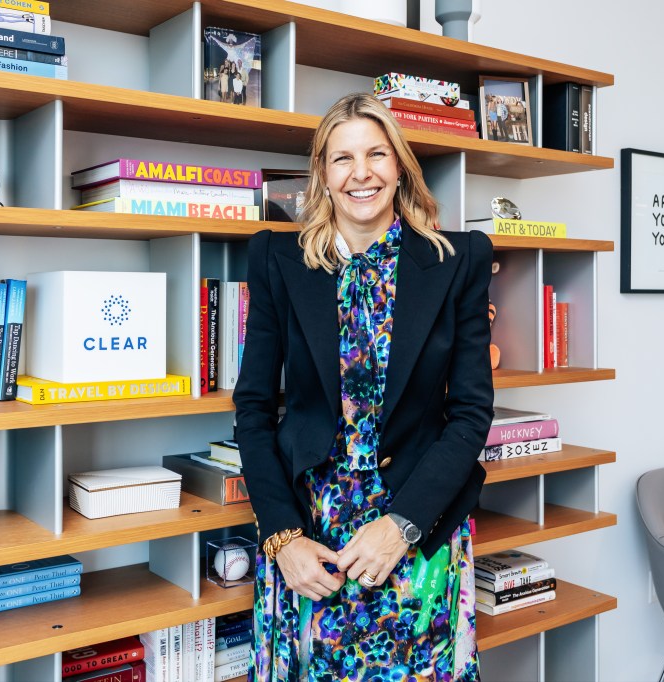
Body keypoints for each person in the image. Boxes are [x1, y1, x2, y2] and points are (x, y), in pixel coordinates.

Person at [233, 92, 494, 681]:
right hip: (309, 536)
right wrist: (281, 536)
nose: (361, 173)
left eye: (377, 154)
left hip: (416, 528)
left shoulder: (457, 261)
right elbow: (252, 410)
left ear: (399, 166)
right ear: (322, 175)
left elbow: (471, 413)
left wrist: (401, 526)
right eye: (342, 158)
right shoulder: (278, 258)